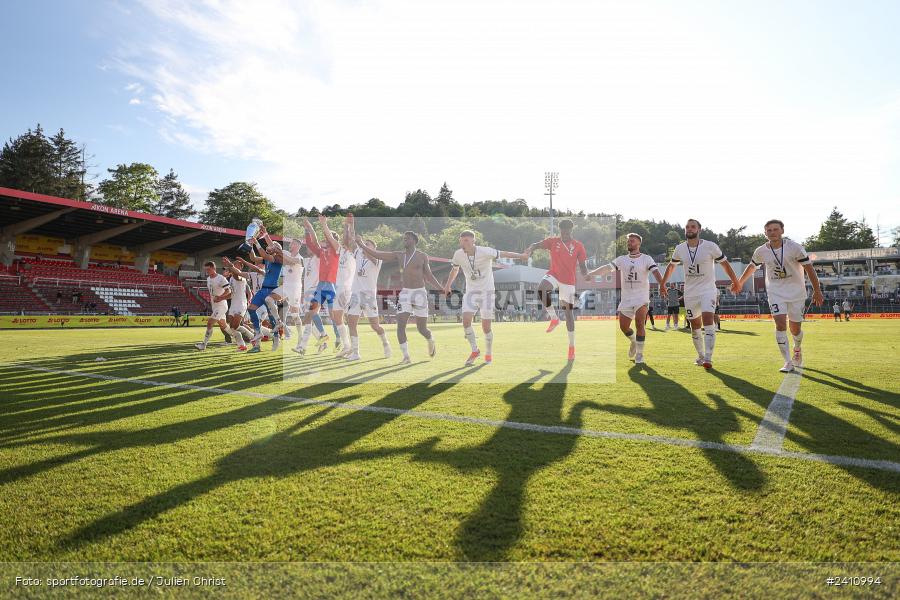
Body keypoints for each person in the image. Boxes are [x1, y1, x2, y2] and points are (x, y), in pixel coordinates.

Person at [733, 219, 823, 372]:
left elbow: (809, 268)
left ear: (782, 230)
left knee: (795, 328)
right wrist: (739, 282)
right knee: (780, 324)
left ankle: (797, 348)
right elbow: (752, 266)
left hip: (796, 292)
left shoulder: (795, 248)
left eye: (775, 229)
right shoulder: (760, 251)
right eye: (769, 230)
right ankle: (787, 361)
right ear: (765, 233)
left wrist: (817, 290)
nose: (772, 232)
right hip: (775, 292)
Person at [660, 219, 740, 370]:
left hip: (708, 289)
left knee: (708, 318)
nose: (690, 229)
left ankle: (708, 357)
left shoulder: (710, 246)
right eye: (687, 227)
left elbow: (725, 263)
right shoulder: (679, 248)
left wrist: (736, 281)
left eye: (693, 227)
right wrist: (662, 283)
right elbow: (671, 266)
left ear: (699, 230)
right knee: (695, 325)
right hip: (690, 292)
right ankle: (701, 355)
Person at [442, 230, 530, 365]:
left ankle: (488, 353)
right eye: (461, 240)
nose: (463, 243)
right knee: (466, 321)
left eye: (466, 240)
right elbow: (455, 269)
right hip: (471, 292)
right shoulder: (458, 255)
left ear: (473, 242)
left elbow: (504, 253)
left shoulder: (485, 251)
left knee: (486, 327)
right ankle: (475, 350)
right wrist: (448, 285)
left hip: (487, 292)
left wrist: (522, 256)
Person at [357, 230, 442, 363]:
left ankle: (430, 339)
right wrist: (362, 245)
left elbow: (429, 276)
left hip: (420, 292)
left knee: (422, 329)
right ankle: (406, 356)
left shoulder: (422, 256)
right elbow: (379, 255)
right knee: (400, 324)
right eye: (404, 238)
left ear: (414, 240)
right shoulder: (399, 255)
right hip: (405, 293)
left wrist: (441, 289)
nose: (405, 240)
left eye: (407, 238)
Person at [586, 233, 667, 364]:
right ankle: (634, 341)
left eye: (632, 241)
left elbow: (656, 272)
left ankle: (639, 355)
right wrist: (592, 273)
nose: (629, 243)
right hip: (626, 298)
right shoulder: (621, 259)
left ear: (639, 243)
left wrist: (662, 285)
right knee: (624, 328)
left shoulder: (647, 259)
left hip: (641, 296)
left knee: (640, 323)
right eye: (628, 241)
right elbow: (607, 268)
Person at [527, 219, 589, 361]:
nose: (564, 234)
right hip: (554, 274)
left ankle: (571, 347)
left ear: (571, 231)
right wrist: (530, 249)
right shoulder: (553, 241)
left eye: (567, 232)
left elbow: (583, 265)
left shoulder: (578, 246)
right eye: (562, 232)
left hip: (568, 280)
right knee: (542, 290)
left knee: (568, 314)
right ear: (559, 230)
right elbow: (537, 245)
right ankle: (554, 318)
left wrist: (586, 275)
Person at [344, 214, 392, 360]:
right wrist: (351, 224)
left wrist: (363, 245)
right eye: (367, 244)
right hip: (355, 293)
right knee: (351, 323)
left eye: (370, 245)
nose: (366, 246)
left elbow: (366, 250)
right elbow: (352, 240)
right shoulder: (358, 253)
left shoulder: (377, 258)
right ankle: (356, 353)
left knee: (375, 326)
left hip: (369, 295)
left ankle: (385, 343)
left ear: (374, 248)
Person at [295, 216, 341, 355]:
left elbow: (323, 239)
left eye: (326, 237)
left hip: (333, 285)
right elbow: (311, 243)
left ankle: (339, 338)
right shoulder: (321, 252)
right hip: (321, 286)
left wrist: (323, 225)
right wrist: (308, 229)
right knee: (310, 313)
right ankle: (303, 346)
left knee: (334, 317)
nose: (324, 239)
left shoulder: (337, 250)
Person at [195, 261, 238, 351]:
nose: (207, 271)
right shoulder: (208, 279)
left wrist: (220, 298)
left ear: (214, 268)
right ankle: (238, 338)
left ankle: (204, 344)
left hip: (221, 306)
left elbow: (229, 291)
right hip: (215, 306)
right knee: (223, 326)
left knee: (210, 323)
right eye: (206, 269)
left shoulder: (221, 278)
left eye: (208, 269)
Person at [221, 257, 257, 351]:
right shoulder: (231, 279)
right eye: (234, 264)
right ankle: (245, 343)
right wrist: (221, 298)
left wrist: (230, 265)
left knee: (235, 326)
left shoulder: (241, 277)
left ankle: (253, 337)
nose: (235, 266)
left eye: (237, 265)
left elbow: (237, 274)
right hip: (233, 304)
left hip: (241, 304)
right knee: (232, 328)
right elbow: (231, 294)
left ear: (240, 267)